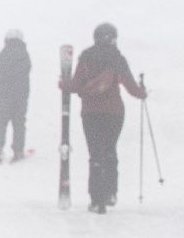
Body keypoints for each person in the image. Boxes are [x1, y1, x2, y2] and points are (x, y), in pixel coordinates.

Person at [61, 22, 146, 213]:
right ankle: (110, 193)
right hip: (114, 113)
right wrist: (142, 92)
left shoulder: (87, 57)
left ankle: (96, 199)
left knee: (95, 155)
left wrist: (63, 84)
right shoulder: (117, 58)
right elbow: (132, 88)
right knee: (109, 151)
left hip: (91, 113)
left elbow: (75, 86)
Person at [0, 29, 30, 162]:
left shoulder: (3, 54)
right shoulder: (24, 55)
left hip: (4, 94)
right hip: (21, 94)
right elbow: (27, 70)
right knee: (19, 121)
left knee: (1, 119)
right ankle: (18, 151)